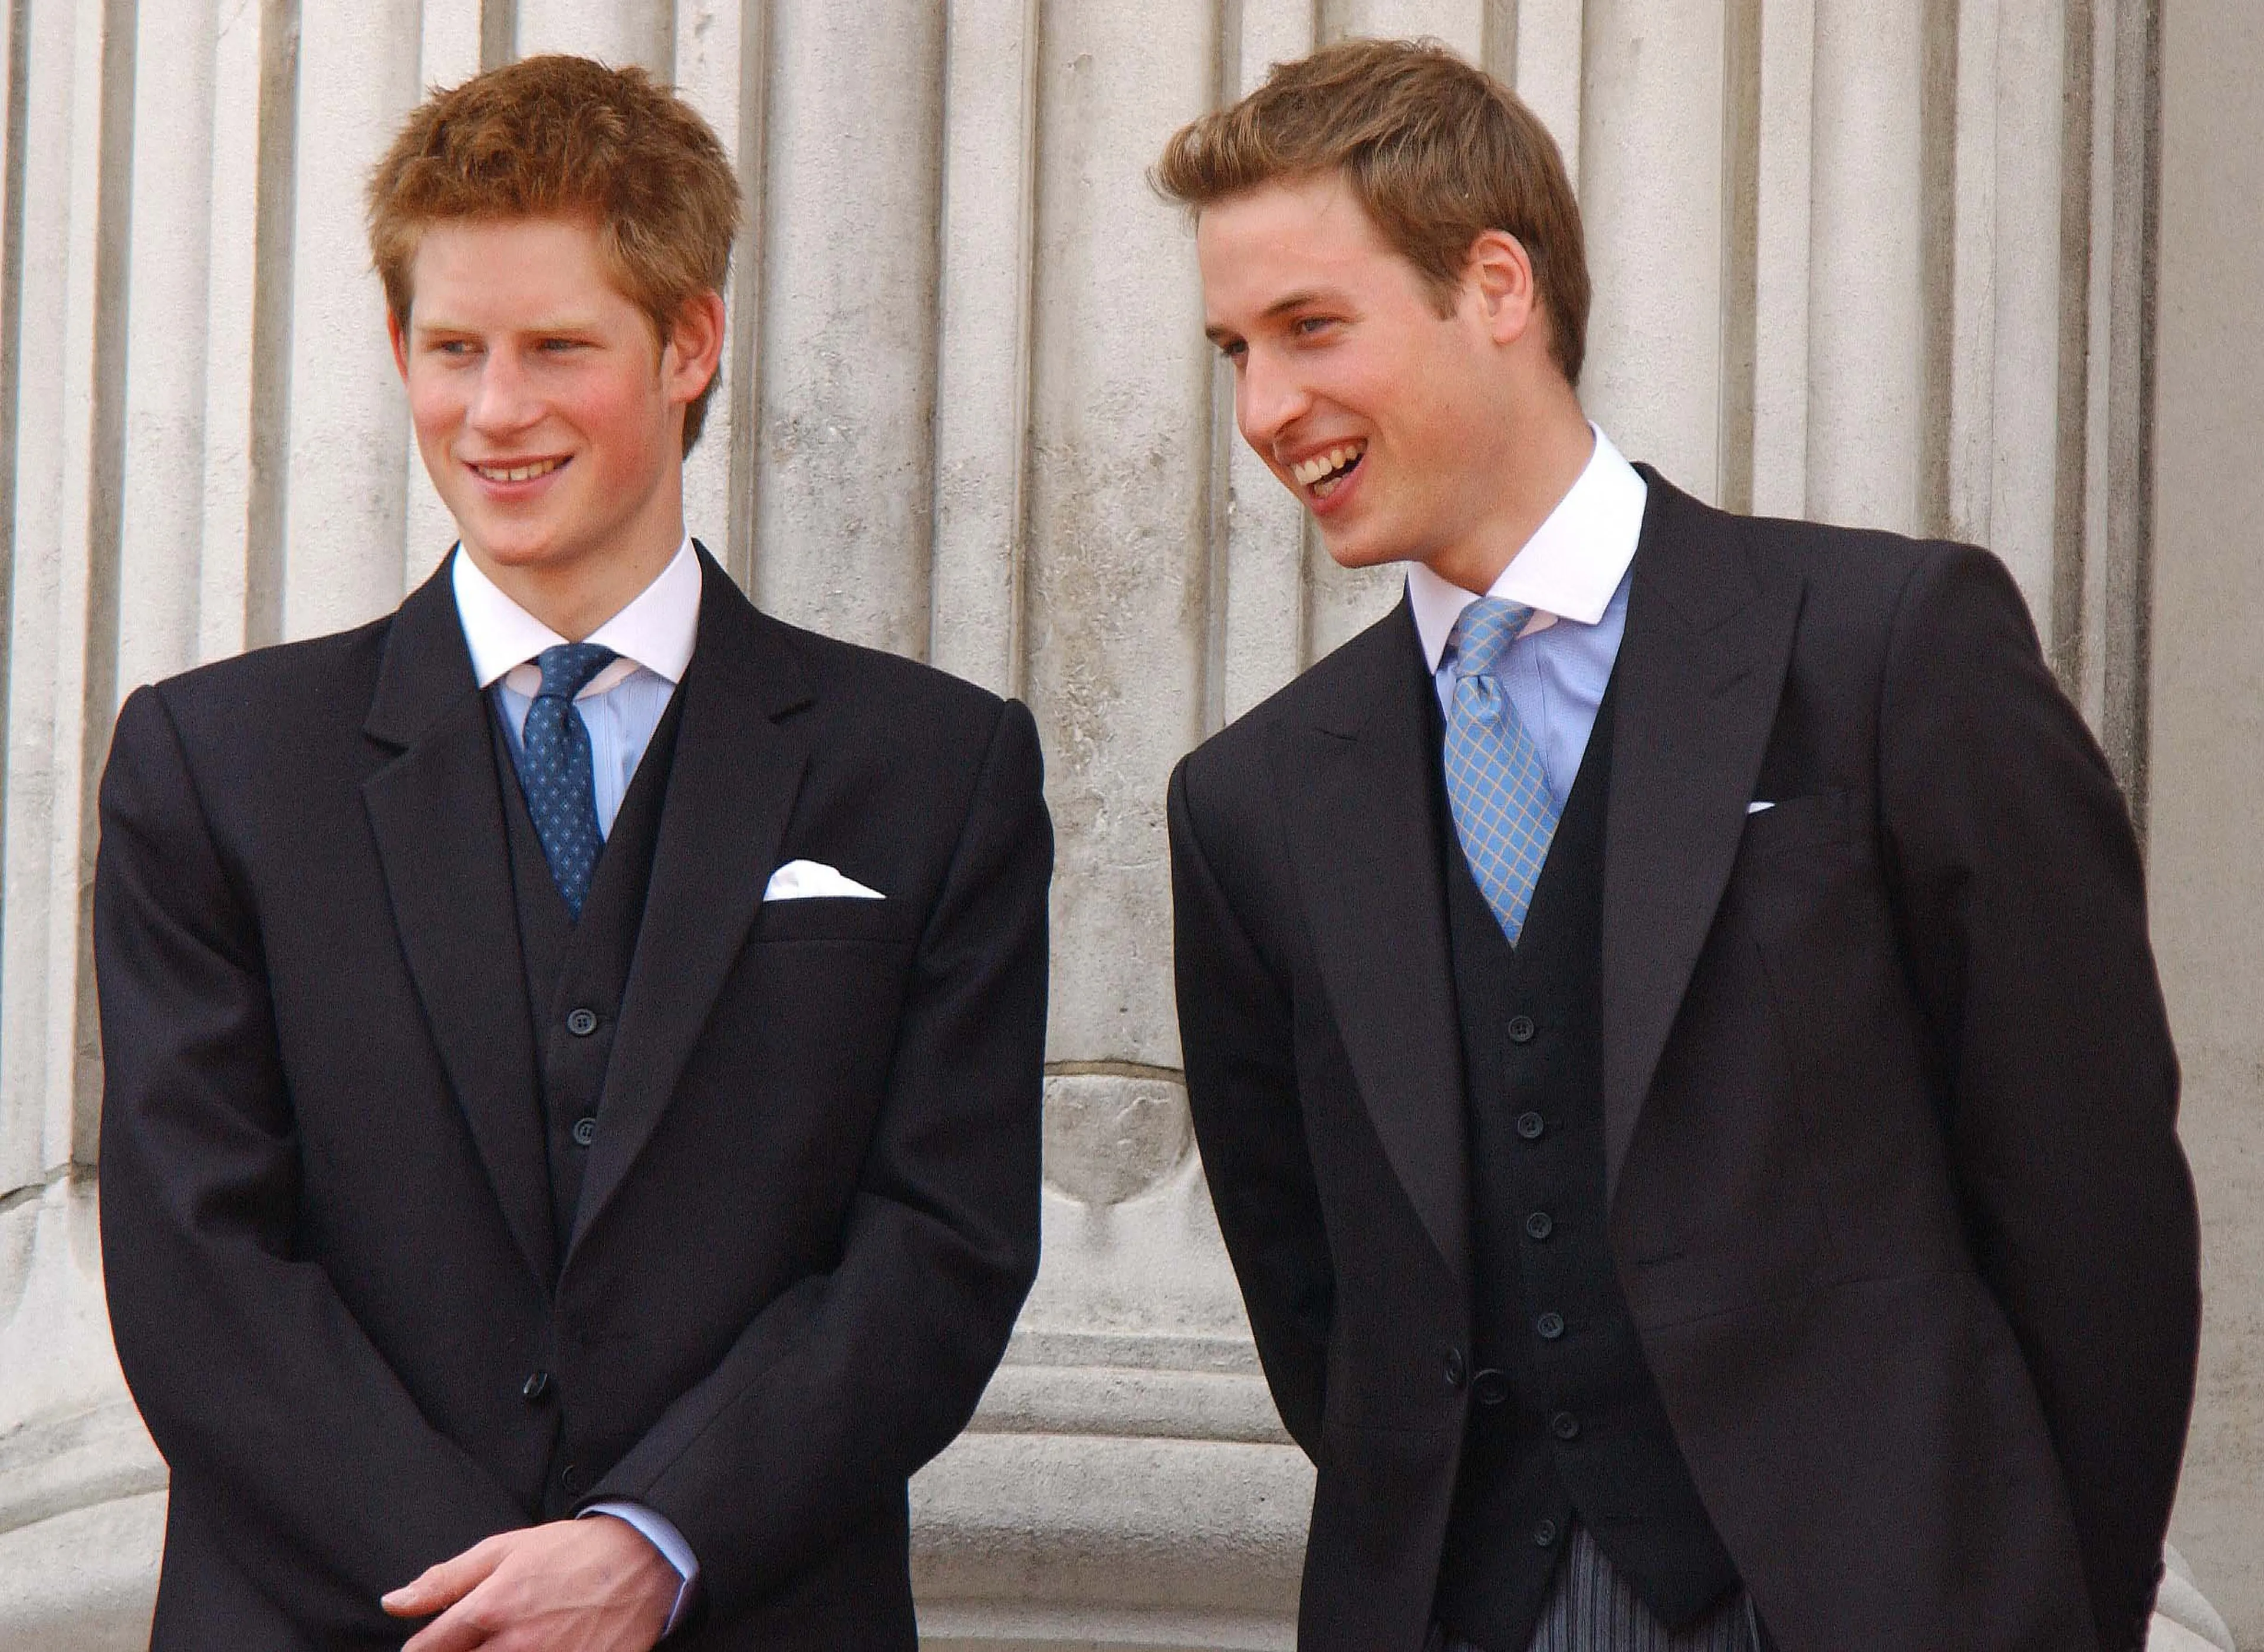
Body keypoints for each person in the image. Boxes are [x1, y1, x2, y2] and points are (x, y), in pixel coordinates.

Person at [1158, 37, 2198, 1652]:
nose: (1266, 409)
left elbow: (2093, 1205)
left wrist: (2056, 1608)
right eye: (1234, 349)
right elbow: (1323, 1317)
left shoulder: (1891, 651)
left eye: (1310, 329)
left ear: (1495, 284)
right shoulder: (1254, 803)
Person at [95, 55, 1050, 1650]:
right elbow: (199, 1266)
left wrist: (651, 1548)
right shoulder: (213, 766)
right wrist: (487, 1588)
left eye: (556, 349)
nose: (495, 411)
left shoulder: (932, 773)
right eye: (452, 348)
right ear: (398, 345)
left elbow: (938, 1244)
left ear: (689, 342)